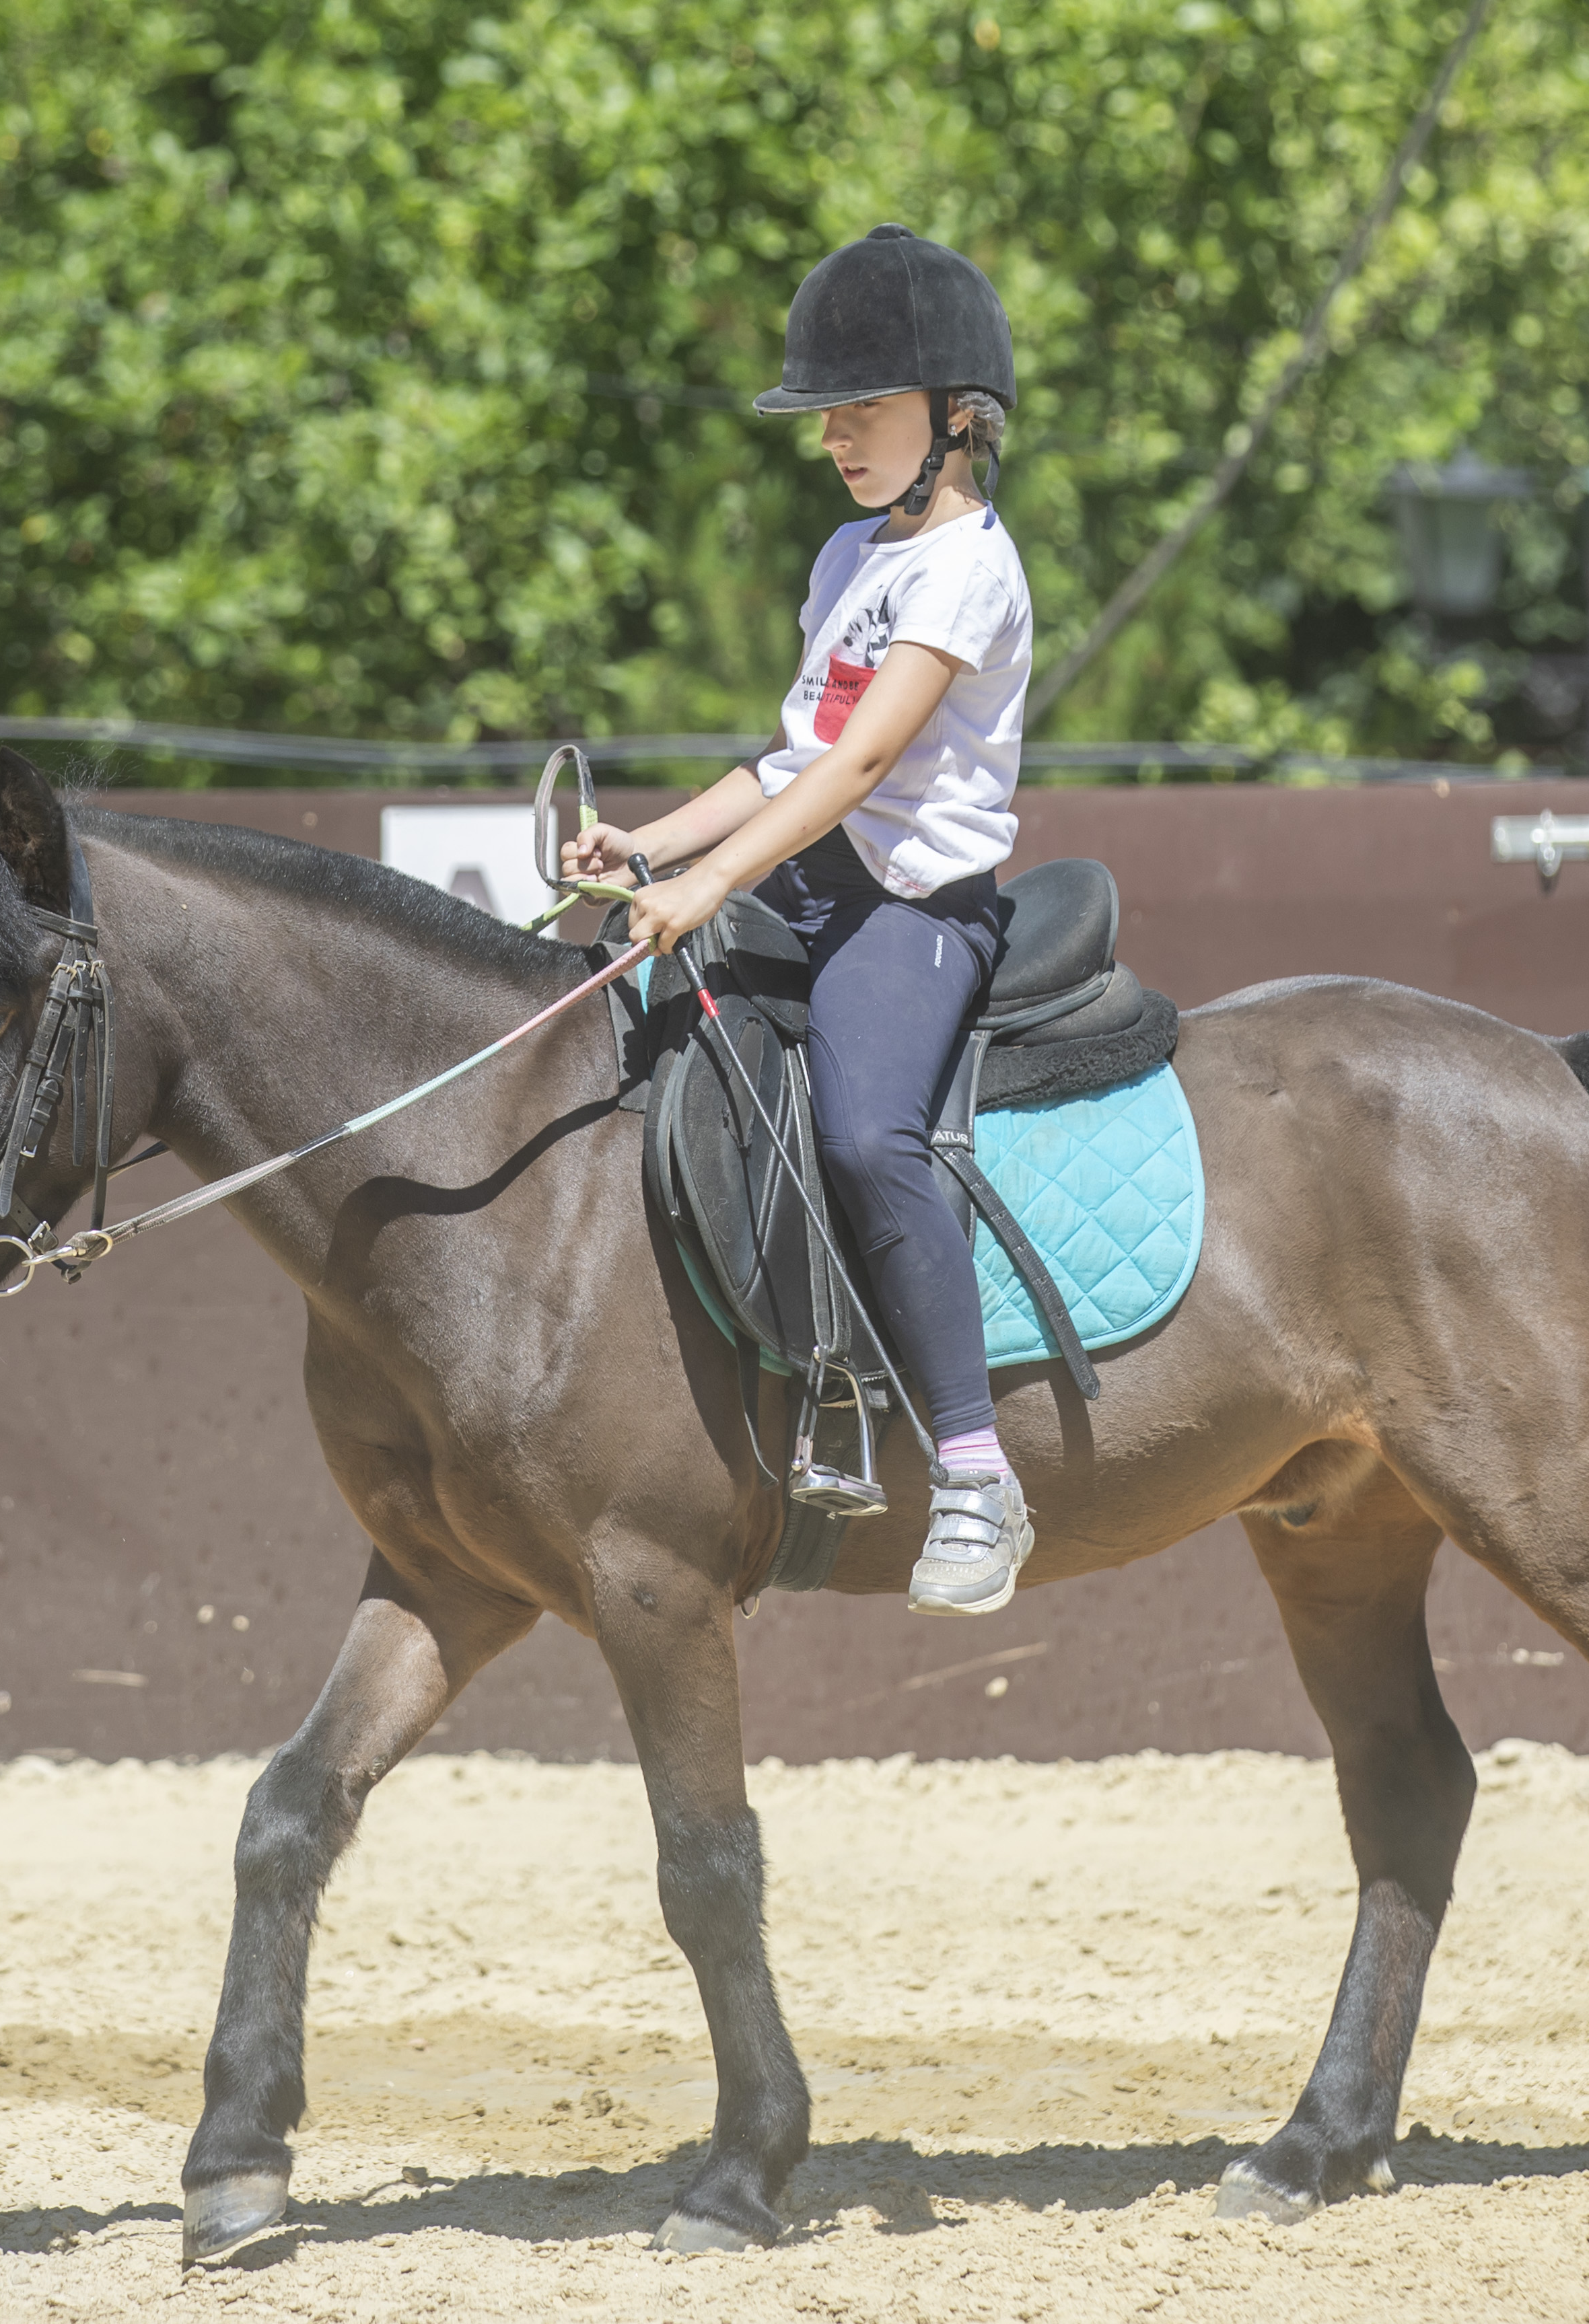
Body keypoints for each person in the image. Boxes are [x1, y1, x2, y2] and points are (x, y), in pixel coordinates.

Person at [561, 223, 1036, 1618]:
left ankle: (969, 1469)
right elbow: (784, 762)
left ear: (956, 417)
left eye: (862, 407)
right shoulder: (847, 555)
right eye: (825, 413)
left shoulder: (969, 572)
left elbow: (859, 768)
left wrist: (707, 886)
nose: (833, 434)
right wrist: (642, 843)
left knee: (861, 1128)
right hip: (813, 877)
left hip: (911, 910)